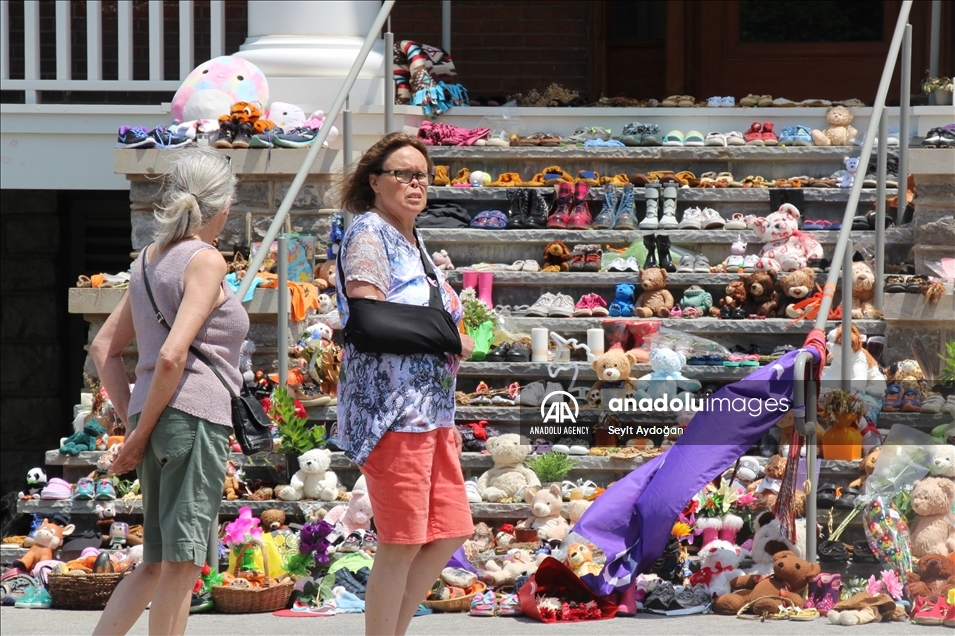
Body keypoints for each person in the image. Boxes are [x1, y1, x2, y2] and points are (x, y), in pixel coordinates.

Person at [90, 148, 246, 636]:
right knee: (181, 565)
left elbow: (103, 348)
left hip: (154, 415)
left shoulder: (146, 261)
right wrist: (137, 437)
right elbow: (175, 355)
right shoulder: (205, 259)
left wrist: (136, 421)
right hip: (194, 418)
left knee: (155, 563)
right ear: (222, 207)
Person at [336, 132, 475, 635]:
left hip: (430, 413)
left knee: (449, 531)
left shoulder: (413, 239)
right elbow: (368, 319)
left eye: (423, 175)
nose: (415, 183)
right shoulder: (370, 233)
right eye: (403, 173)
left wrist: (449, 413)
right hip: (393, 412)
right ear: (375, 182)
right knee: (400, 541)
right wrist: (450, 338)